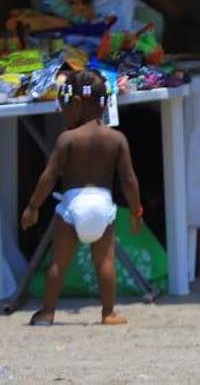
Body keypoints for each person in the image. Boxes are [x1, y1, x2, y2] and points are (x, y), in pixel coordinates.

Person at [22, 69, 142, 326]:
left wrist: (33, 207)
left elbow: (49, 176)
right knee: (105, 263)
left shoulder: (67, 138)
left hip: (71, 206)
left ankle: (47, 312)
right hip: (102, 206)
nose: (64, 111)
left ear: (76, 104)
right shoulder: (116, 138)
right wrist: (136, 211)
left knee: (58, 263)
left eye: (65, 105)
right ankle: (108, 312)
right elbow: (129, 180)